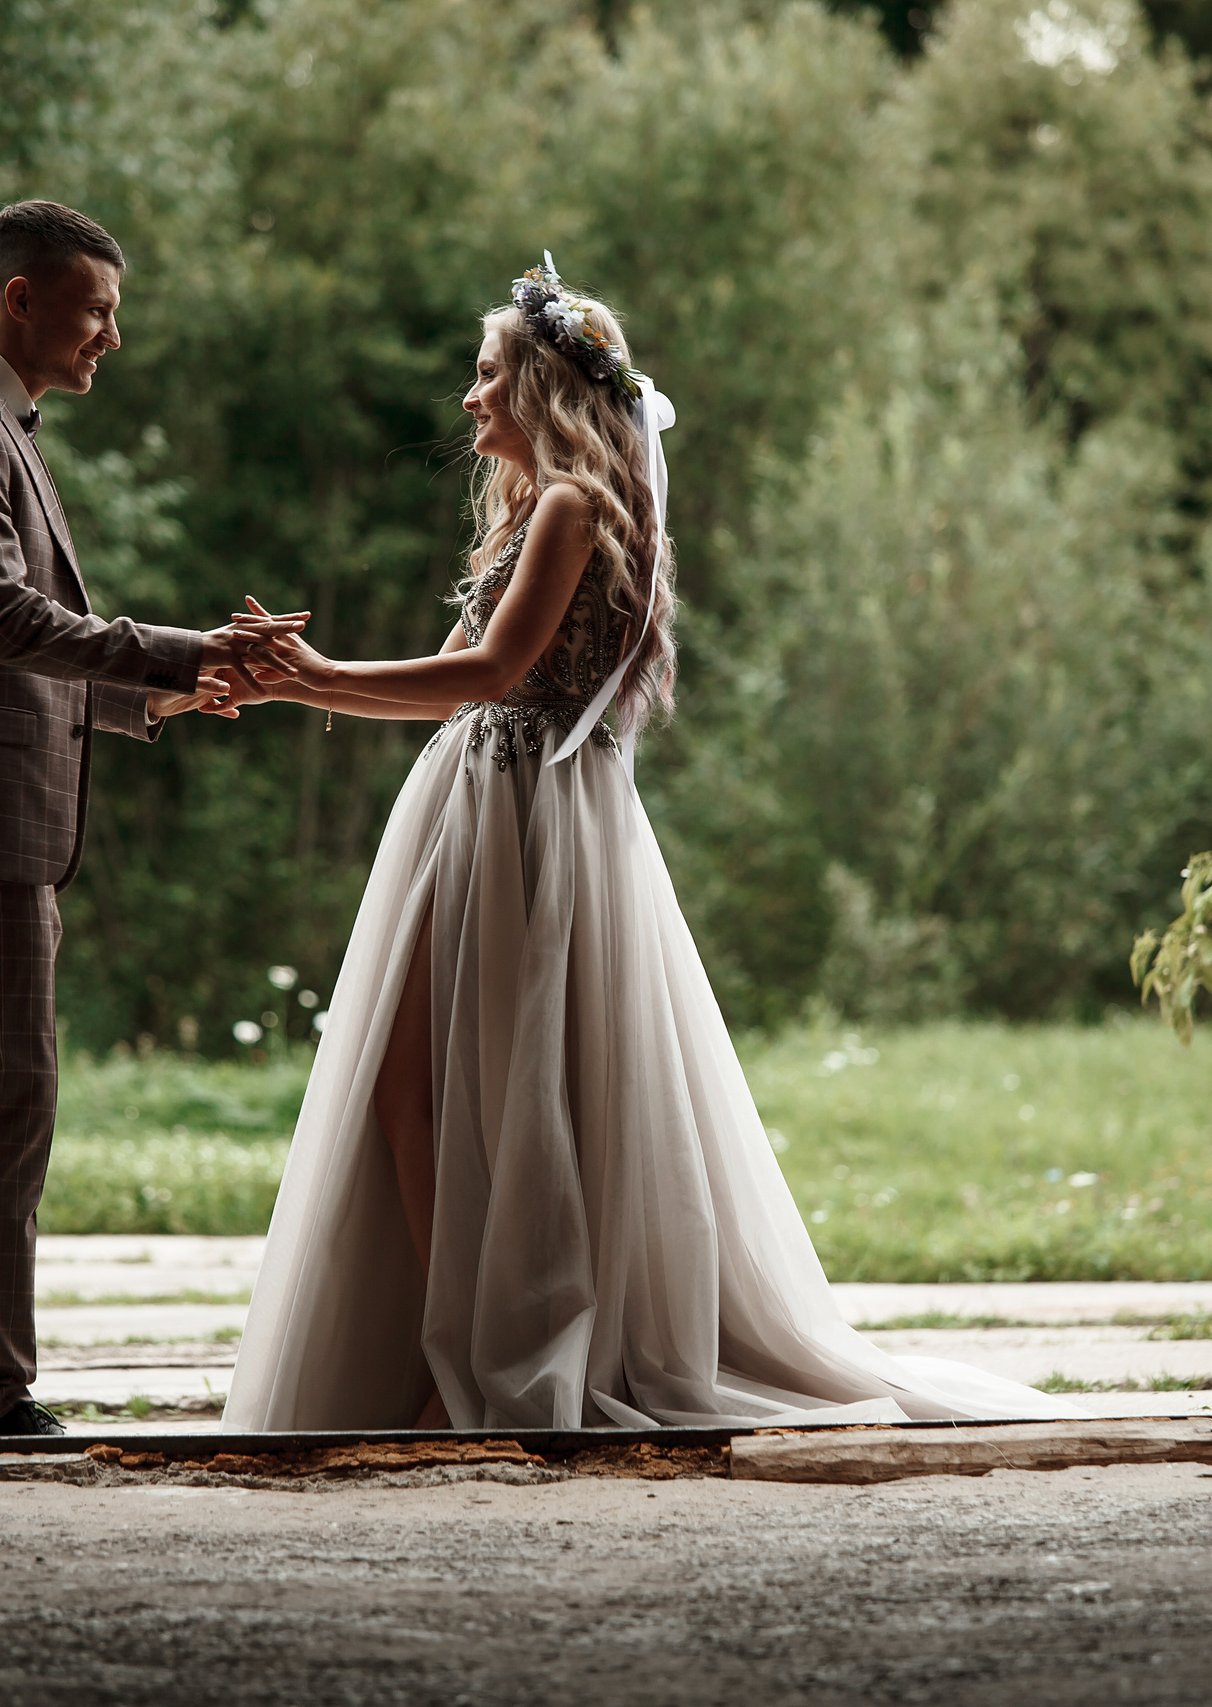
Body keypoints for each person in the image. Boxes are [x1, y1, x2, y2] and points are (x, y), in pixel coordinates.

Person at [217, 257, 1085, 1430]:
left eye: (485, 378)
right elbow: (477, 692)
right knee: (416, 1081)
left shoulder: (574, 507)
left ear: (538, 388)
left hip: (530, 817)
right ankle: (451, 1336)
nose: (468, 402)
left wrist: (314, 682)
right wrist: (300, 687)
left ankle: (489, 1348)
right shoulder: (537, 508)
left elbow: (488, 675)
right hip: (480, 803)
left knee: (510, 1093)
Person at [0, 200, 300, 1437]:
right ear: (20, 299)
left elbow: (0, 638)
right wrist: (185, 648)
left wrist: (170, 695)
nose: (109, 338)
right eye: (96, 310)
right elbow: (2, 623)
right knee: (6, 1092)